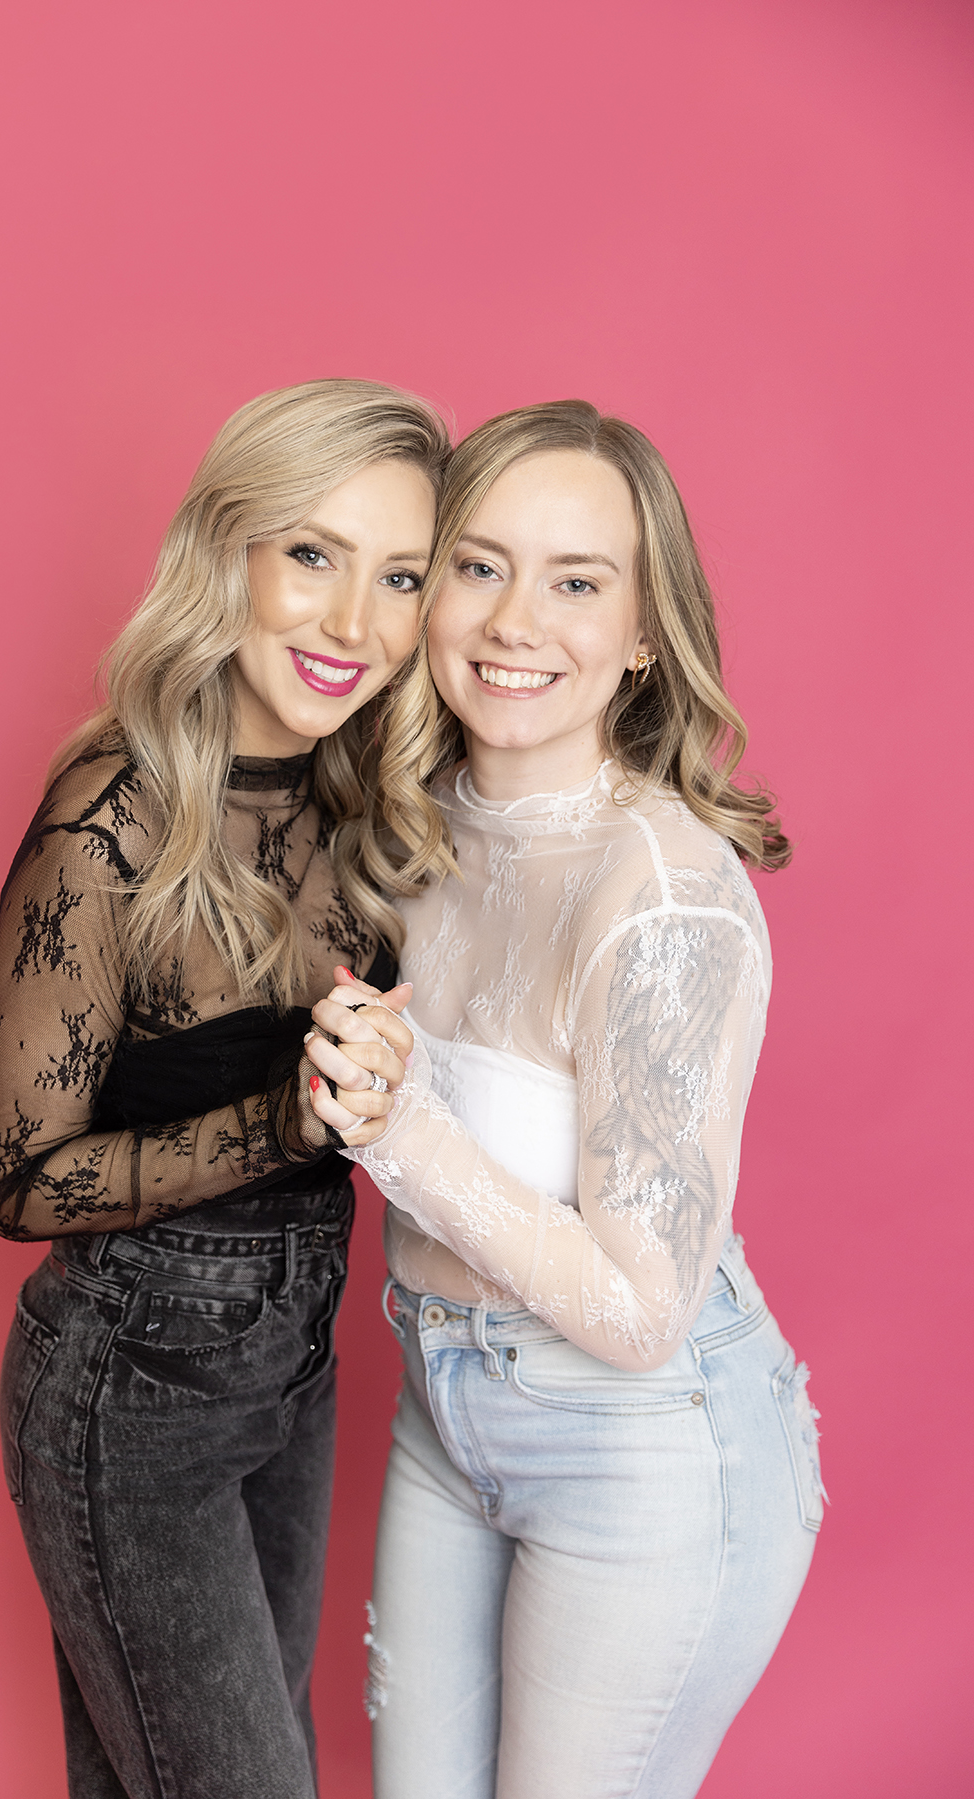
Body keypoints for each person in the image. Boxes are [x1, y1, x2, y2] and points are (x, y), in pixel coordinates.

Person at [306, 400, 825, 1799]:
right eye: (479, 567)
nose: (515, 622)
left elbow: (644, 1312)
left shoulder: (663, 895)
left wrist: (402, 1131)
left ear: (646, 631)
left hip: (641, 1448)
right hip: (443, 1406)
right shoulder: (412, 823)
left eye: (578, 583)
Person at [0, 378, 456, 1799]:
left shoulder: (365, 803)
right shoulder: (109, 822)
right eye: (312, 554)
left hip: (294, 1368)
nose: (354, 622)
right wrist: (286, 1118)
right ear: (227, 551)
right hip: (130, 1385)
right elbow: (18, 1176)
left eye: (401, 577)